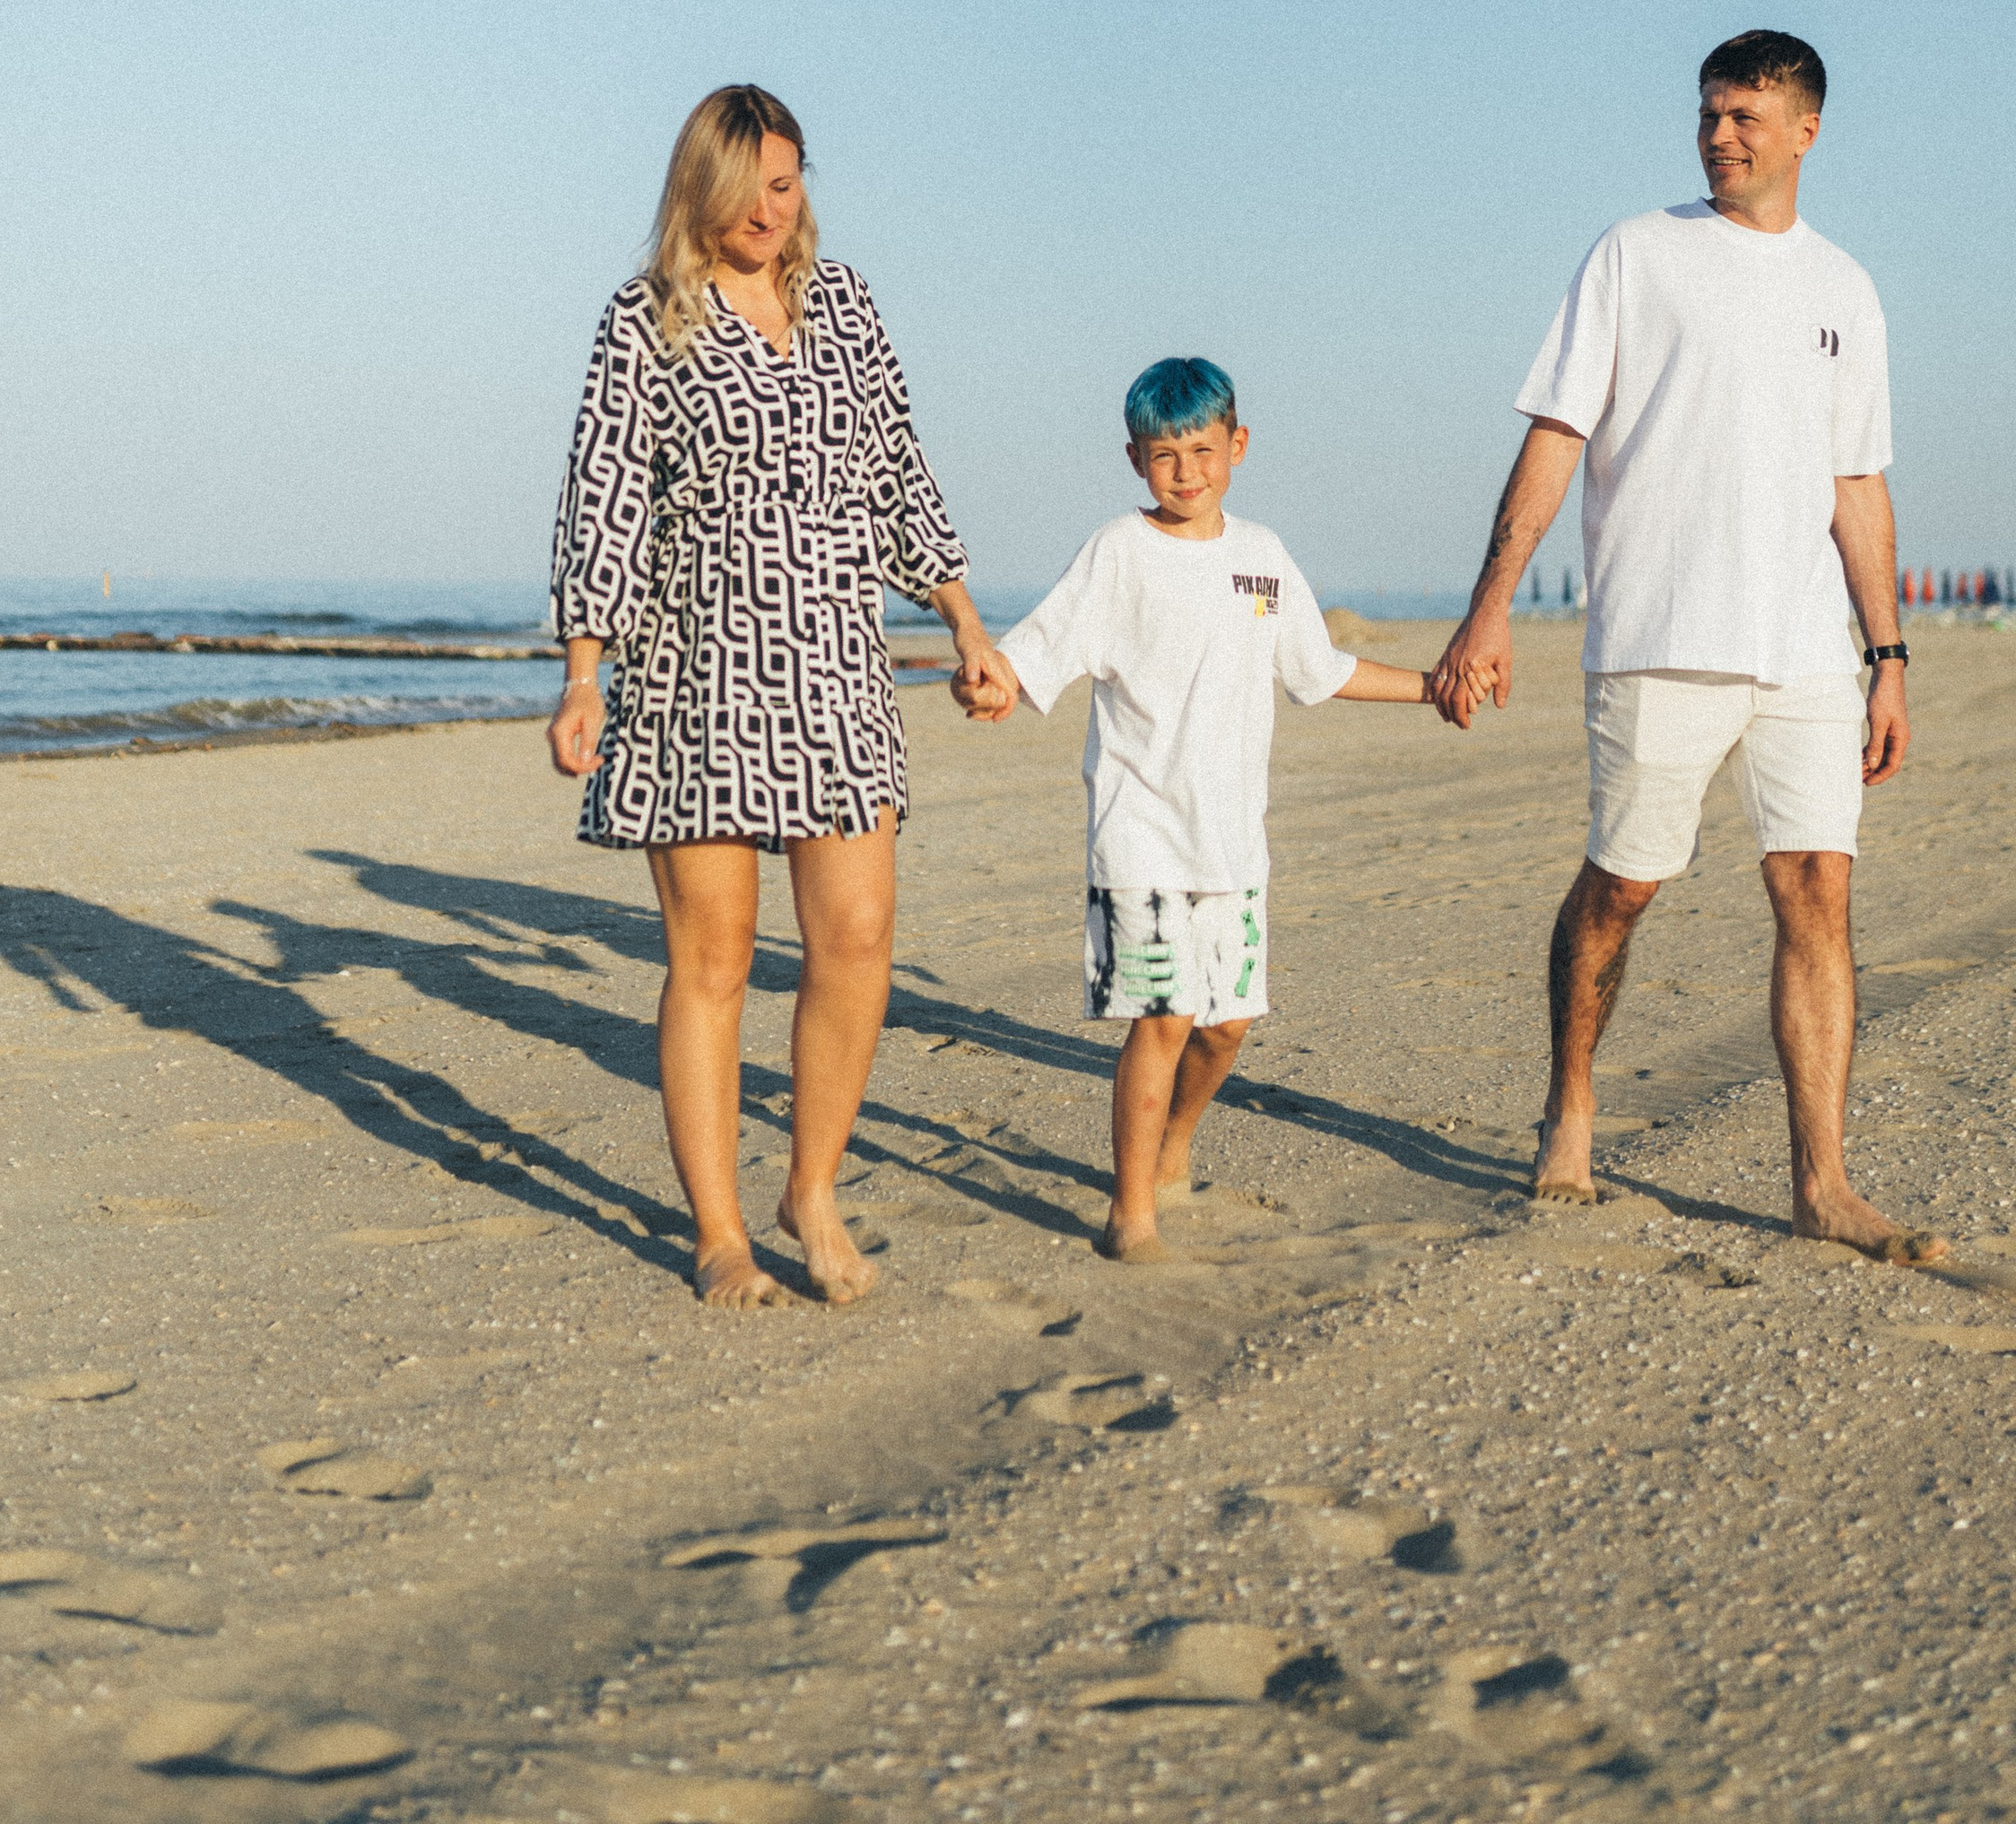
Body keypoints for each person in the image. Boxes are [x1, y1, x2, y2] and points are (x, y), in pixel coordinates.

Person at [1430, 31, 1945, 1262]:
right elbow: (1556, 435)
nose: (1720, 135)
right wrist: (1488, 605)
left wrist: (1889, 656)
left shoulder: (1845, 291)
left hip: (1809, 652)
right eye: (1711, 114)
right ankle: (1572, 1106)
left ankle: (1821, 1179)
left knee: (1818, 890)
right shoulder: (1637, 254)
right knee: (1624, 887)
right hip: (1659, 635)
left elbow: (1857, 486)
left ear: (1806, 130)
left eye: (1747, 117)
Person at [548, 84, 1019, 1309]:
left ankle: (812, 1187)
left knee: (857, 938)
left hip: (835, 665)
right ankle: (719, 1235)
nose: (777, 203)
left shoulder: (846, 305)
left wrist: (964, 618)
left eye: (791, 178)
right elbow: (603, 498)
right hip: (691, 674)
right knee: (710, 959)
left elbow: (900, 467)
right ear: (703, 184)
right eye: (756, 180)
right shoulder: (643, 321)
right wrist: (583, 674)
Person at [953, 356, 1447, 1261]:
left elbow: (1321, 670)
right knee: (1164, 1017)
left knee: (1224, 1028)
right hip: (1138, 830)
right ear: (1135, 458)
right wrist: (992, 684)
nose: (1186, 472)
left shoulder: (1261, 559)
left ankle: (1174, 1146)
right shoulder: (1117, 552)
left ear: (1238, 446)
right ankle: (1129, 1210)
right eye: (1165, 455)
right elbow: (1038, 651)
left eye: (1203, 450)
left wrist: (1432, 688)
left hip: (1232, 843)